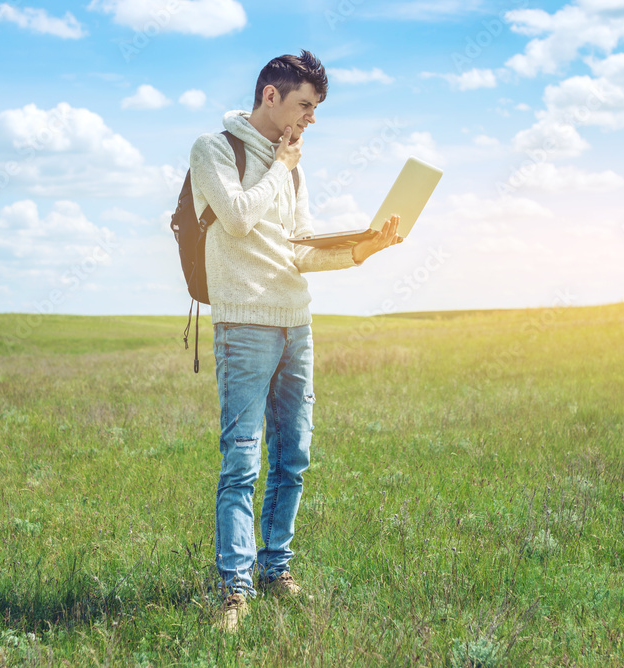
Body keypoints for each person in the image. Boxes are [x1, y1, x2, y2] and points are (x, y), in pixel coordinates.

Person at [188, 49, 402, 632]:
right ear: (271, 96)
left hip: (296, 321)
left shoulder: (295, 166)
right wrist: (280, 166)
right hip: (244, 323)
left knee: (294, 455)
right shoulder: (215, 149)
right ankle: (233, 589)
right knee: (242, 460)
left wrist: (364, 250)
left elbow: (300, 248)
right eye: (305, 106)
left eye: (316, 109)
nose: (311, 119)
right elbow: (234, 218)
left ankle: (275, 569)